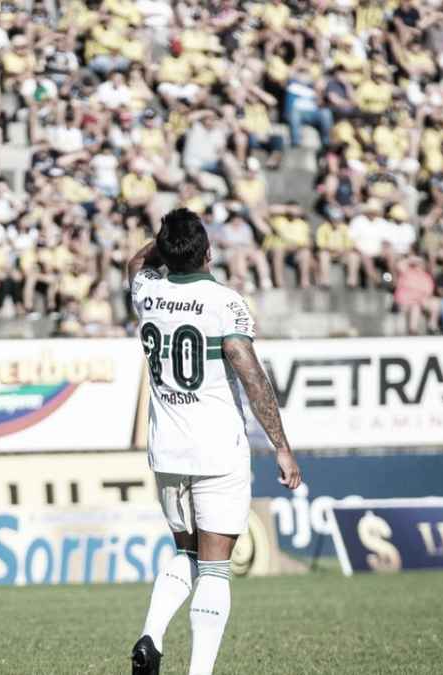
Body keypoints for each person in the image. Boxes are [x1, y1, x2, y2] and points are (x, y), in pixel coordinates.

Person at [127, 208, 301, 675]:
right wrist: (281, 445)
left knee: (184, 551)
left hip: (166, 449)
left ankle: (151, 634)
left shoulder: (148, 292)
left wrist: (162, 244)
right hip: (217, 449)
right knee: (215, 568)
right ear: (208, 251)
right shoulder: (225, 301)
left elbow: (135, 265)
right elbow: (250, 374)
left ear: (165, 251)